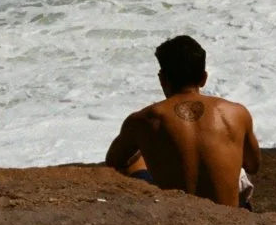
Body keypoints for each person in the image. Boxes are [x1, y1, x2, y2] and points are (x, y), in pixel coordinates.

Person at [105, 35, 260, 209]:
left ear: (162, 79)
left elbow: (114, 161)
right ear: (204, 78)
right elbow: (253, 165)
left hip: (173, 212)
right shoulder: (236, 113)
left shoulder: (143, 119)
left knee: (135, 161)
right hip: (229, 216)